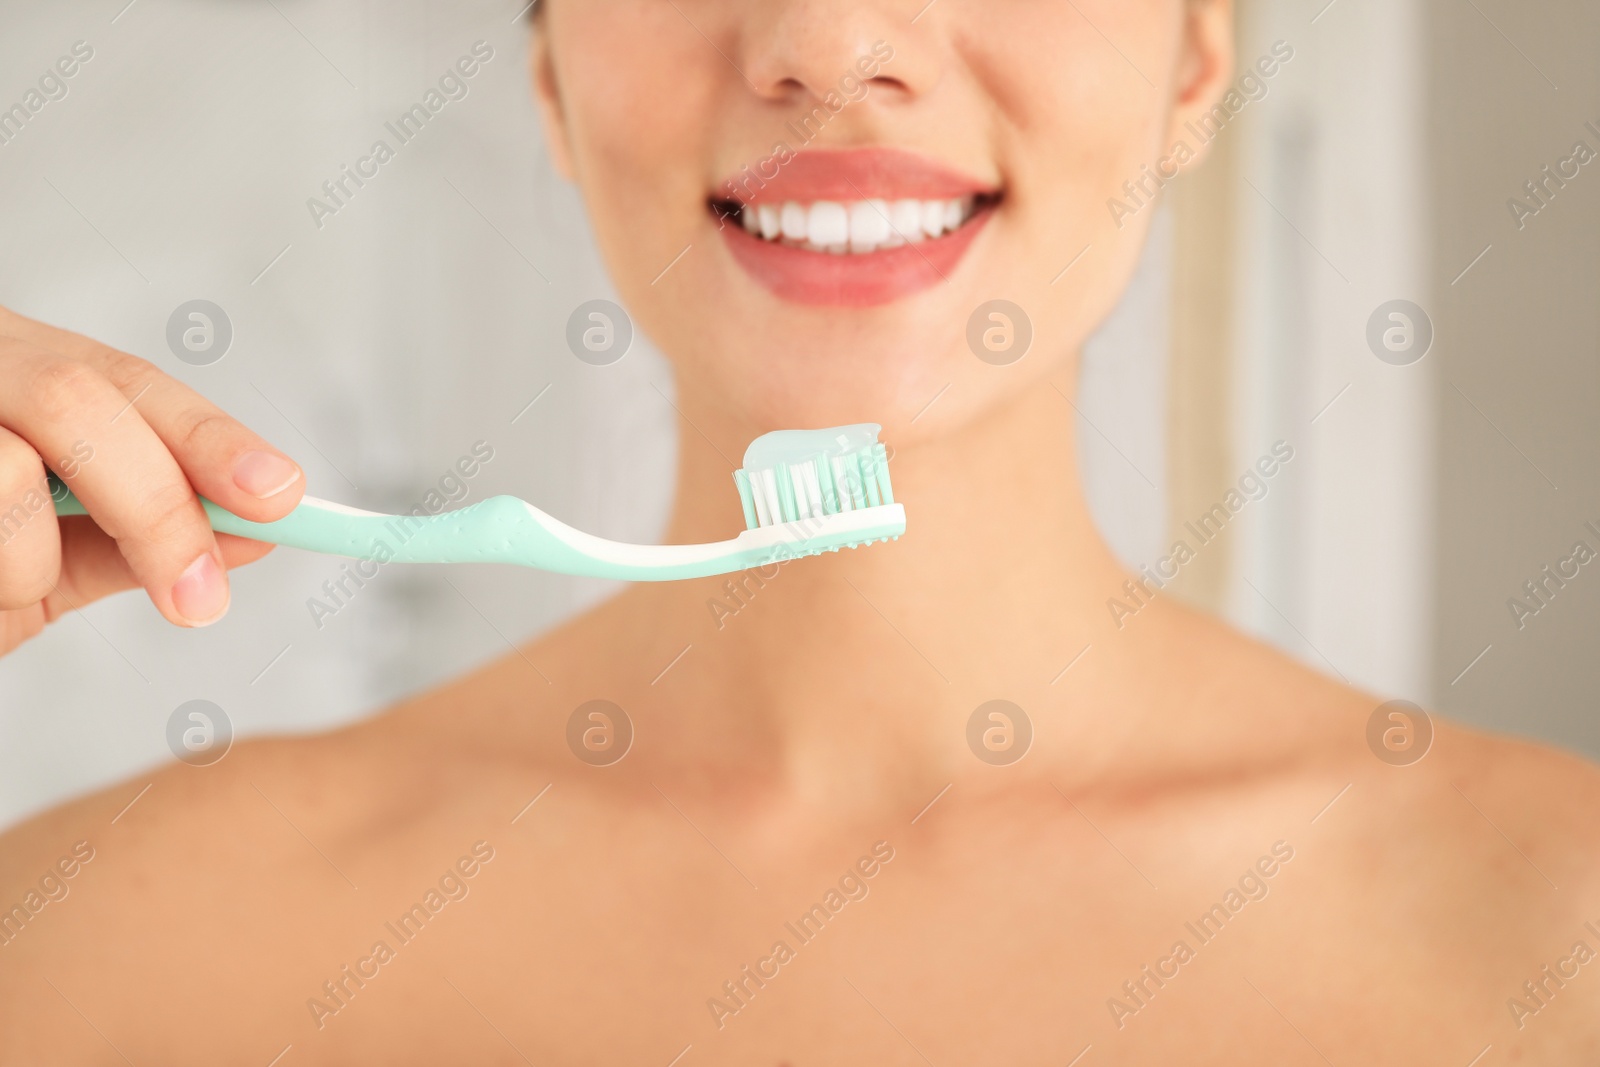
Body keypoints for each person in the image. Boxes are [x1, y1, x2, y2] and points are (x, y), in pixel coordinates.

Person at [2, 1, 1597, 1062]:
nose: (830, 45)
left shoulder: (1561, 928)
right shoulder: (100, 944)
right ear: (553, 74)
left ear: (1191, 54)